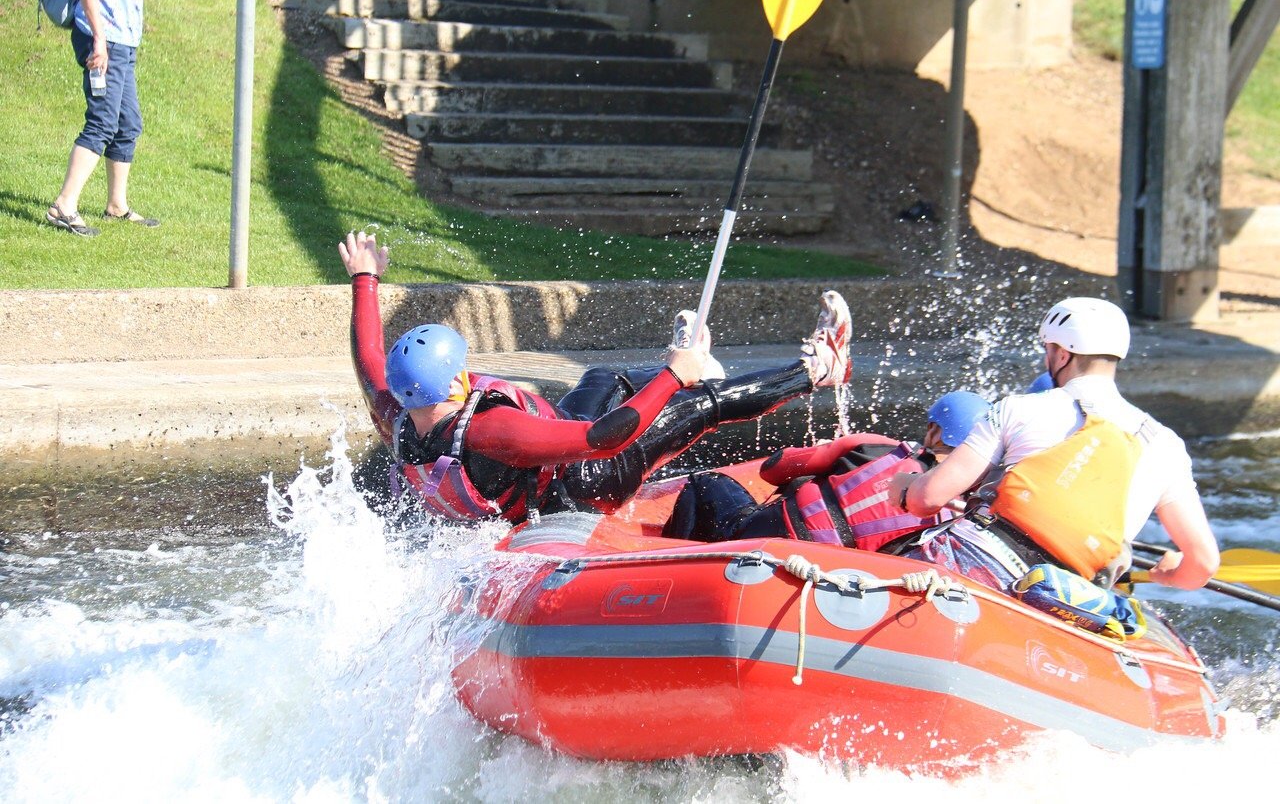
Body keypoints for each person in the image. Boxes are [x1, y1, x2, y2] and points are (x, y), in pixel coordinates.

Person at [339, 231, 853, 522]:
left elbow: (369, 358)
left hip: (546, 462)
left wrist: (365, 278)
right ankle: (821, 369)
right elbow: (603, 438)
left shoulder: (396, 416)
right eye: (464, 367)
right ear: (454, 383)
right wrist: (673, 378)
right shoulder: (491, 431)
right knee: (698, 408)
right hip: (584, 483)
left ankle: (694, 366)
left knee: (603, 377)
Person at [890, 297, 1220, 593]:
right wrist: (1170, 575)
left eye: (1048, 350)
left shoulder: (1018, 408)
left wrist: (906, 487)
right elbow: (1203, 563)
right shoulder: (1168, 447)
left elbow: (928, 499)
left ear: (1062, 354)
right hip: (1060, 596)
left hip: (976, 563)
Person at [662, 390, 992, 550]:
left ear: (935, 431)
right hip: (827, 577)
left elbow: (773, 469)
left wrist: (827, 453)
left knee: (705, 482)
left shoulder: (878, 446)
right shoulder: (949, 516)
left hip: (762, 538)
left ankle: (674, 560)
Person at [46, 0, 159, 238]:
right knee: (102, 122)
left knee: (127, 122)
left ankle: (116, 205)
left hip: (122, 43)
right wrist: (98, 39)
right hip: (104, 43)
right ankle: (64, 205)